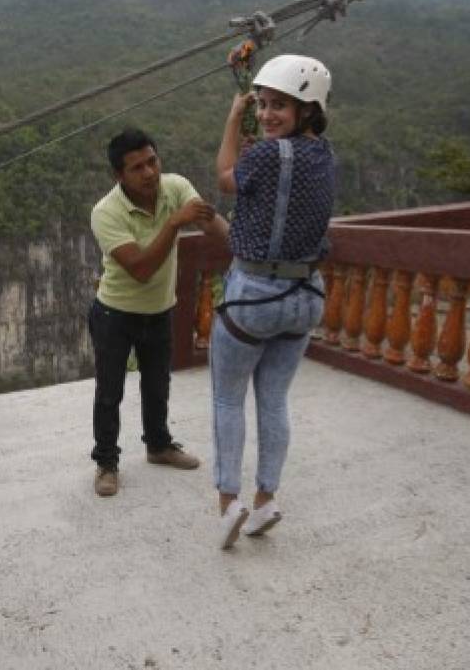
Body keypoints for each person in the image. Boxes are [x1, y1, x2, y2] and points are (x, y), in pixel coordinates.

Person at [210, 53, 336, 549]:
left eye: (278, 105)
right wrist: (255, 149)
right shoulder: (325, 154)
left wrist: (231, 119)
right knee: (274, 400)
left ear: (307, 108)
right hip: (305, 296)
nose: (266, 114)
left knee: (226, 398)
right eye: (262, 104)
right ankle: (265, 501)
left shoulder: (265, 155)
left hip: (254, 296)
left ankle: (228, 505)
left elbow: (225, 178)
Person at [88, 127, 228, 496]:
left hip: (160, 309)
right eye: (137, 168)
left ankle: (159, 445)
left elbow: (210, 222)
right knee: (109, 392)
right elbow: (141, 269)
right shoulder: (106, 212)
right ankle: (106, 462)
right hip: (114, 314)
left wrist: (247, 250)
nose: (149, 172)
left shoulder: (177, 187)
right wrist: (173, 223)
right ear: (119, 175)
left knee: (157, 384)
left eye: (152, 161)